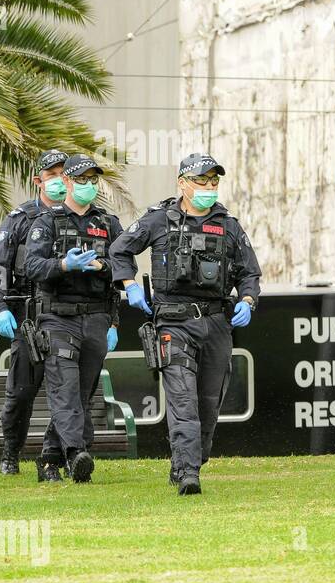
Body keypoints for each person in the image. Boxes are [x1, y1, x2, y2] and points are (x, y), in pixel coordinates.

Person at [109, 153, 261, 495]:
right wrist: (129, 285)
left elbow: (250, 273)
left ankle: (188, 461)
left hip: (217, 324)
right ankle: (189, 472)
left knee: (208, 403)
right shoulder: (159, 220)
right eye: (201, 181)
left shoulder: (229, 226)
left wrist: (249, 301)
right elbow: (119, 250)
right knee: (183, 399)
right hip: (173, 324)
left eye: (213, 182)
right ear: (182, 184)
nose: (209, 188)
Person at [23, 154, 124, 483]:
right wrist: (64, 266)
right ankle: (76, 453)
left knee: (80, 393)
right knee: (64, 389)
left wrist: (104, 268)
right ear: (66, 181)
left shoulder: (108, 224)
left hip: (96, 317)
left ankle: (50, 457)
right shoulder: (46, 223)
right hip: (58, 317)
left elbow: (124, 268)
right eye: (81, 179)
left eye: (93, 180)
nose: (88, 186)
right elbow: (32, 268)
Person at [0, 149, 70, 474]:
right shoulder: (20, 218)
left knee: (67, 393)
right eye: (53, 175)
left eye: (65, 175)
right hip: (28, 317)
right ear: (38, 181)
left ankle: (55, 456)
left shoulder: (81, 217)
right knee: (21, 393)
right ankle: (10, 453)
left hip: (67, 315)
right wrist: (0, 306)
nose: (60, 181)